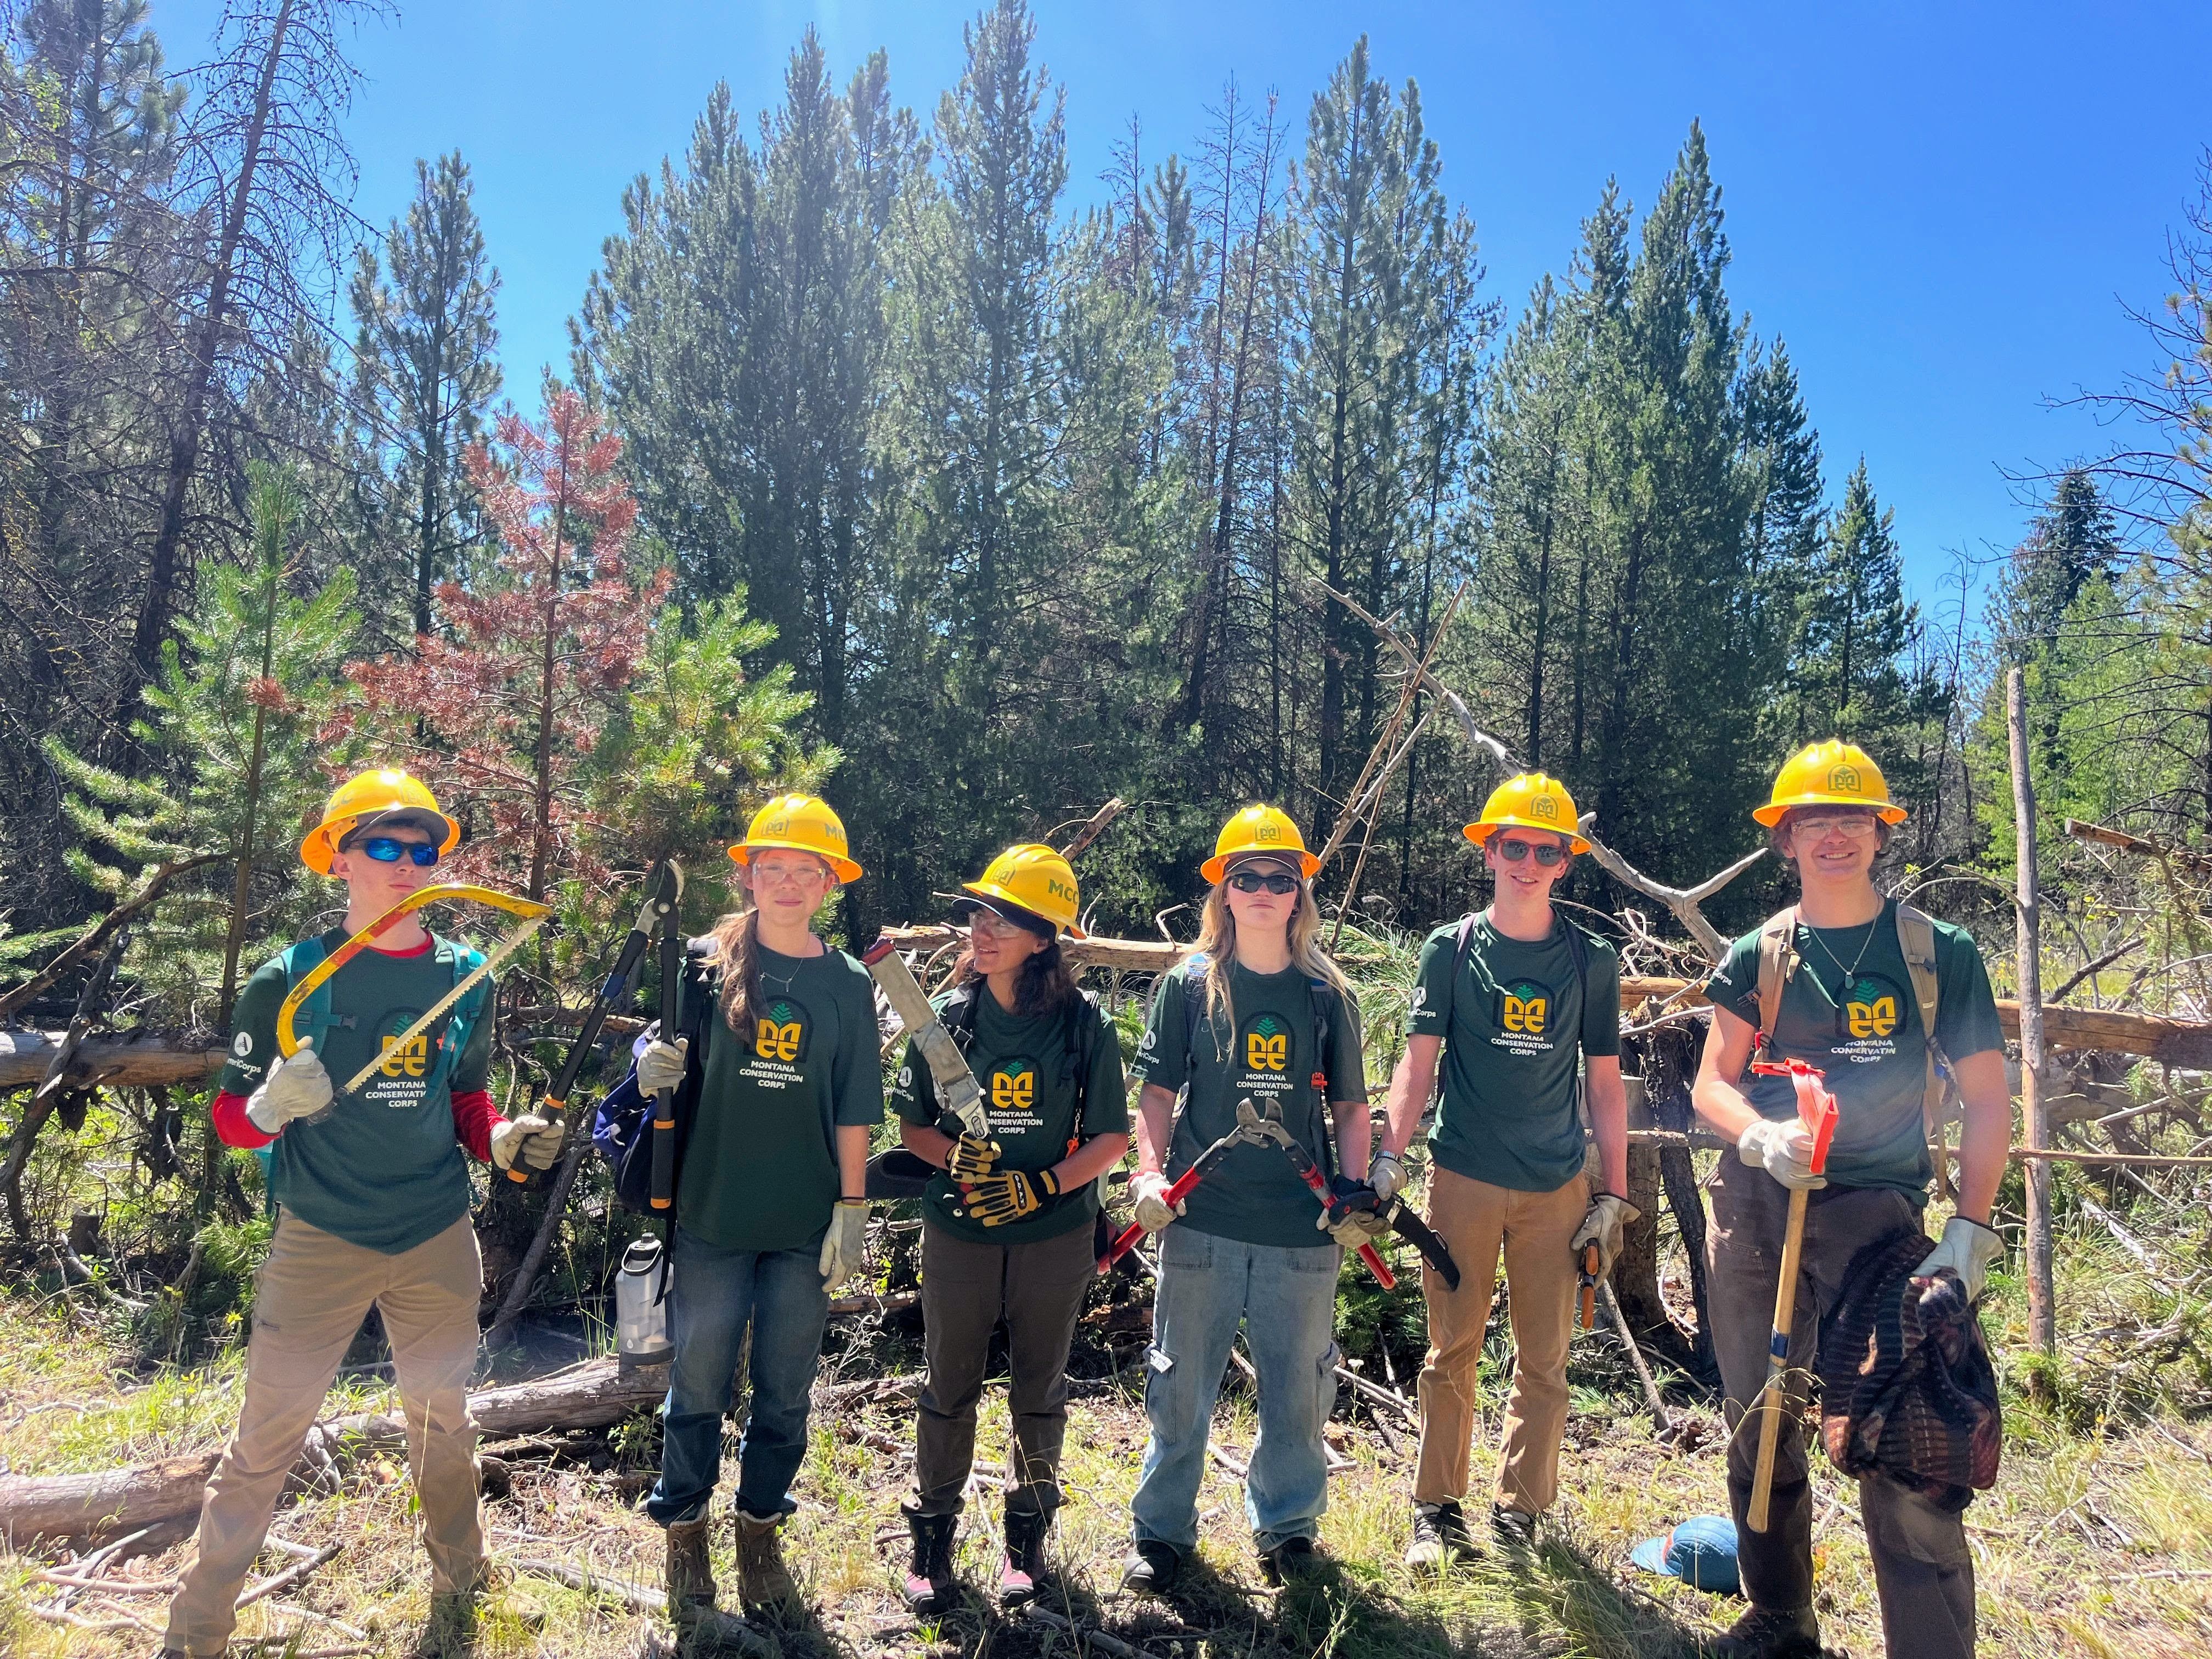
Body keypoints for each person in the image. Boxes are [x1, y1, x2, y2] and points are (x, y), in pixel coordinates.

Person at [162, 769, 564, 1658]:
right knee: (266, 1441)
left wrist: (498, 1139)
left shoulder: (465, 973)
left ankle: (461, 1592)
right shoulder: (293, 978)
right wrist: (269, 1109)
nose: (408, 862)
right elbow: (232, 1125)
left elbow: (466, 1100)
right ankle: (195, 1632)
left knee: (444, 1421)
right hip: (320, 1237)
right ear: (339, 860)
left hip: (433, 1235)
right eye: (384, 845)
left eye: (424, 850)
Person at [1692, 741, 2009, 1659]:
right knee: (1759, 1423)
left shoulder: (1935, 953)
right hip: (1758, 1211)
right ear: (1784, 838)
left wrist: (1973, 1230)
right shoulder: (1763, 955)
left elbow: (1989, 1097)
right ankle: (1781, 1616)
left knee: (1908, 1441)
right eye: (1814, 821)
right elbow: (1715, 1080)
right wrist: (1756, 1135)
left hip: (1880, 1226)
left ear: (1881, 832)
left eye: (1854, 818)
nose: (1835, 836)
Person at [629, 794, 883, 1639]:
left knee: (784, 1392)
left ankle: (761, 1534)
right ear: (750, 876)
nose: (784, 882)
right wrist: (648, 1063)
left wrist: (852, 1207)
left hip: (804, 1222)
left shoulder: (845, 983)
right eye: (769, 867)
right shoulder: (704, 962)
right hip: (710, 1215)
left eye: (802, 870)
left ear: (826, 884)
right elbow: (654, 1049)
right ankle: (686, 1533)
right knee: (697, 1386)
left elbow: (854, 1106)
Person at [1372, 772, 1632, 1566]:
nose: (1526, 861)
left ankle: (1520, 1516)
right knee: (1450, 1351)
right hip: (1463, 1181)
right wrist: (1388, 1157)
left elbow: (1605, 1085)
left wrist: (1613, 1194)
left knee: (1545, 1359)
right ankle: (1436, 1510)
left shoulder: (1591, 960)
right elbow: (1417, 1068)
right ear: (1488, 850)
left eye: (1544, 849)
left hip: (1557, 1187)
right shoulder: (1450, 950)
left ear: (1565, 861)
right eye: (1512, 845)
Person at [1120, 805, 1370, 1592]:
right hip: (1202, 1219)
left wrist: (1355, 1193)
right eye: (1246, 877)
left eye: (1279, 879)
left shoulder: (1328, 994)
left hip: (1301, 1226)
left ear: (1299, 896)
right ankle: (1161, 1535)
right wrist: (1146, 1175)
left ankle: (1289, 1530)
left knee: (1298, 1390)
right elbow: (1156, 1096)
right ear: (1223, 893)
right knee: (1179, 1385)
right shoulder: (1188, 987)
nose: (1262, 890)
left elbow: (1352, 1111)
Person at [891, 844, 1130, 1612]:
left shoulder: (1083, 1026)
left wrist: (1038, 1187)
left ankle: (1025, 1545)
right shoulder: (948, 1022)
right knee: (947, 1386)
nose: (980, 929)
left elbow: (1110, 1141)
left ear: (1042, 938)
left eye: (1002, 918)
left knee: (1040, 1389)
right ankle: (932, 1543)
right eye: (976, 915)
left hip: (1054, 1234)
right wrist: (963, 1164)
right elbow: (912, 1129)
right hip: (960, 1230)